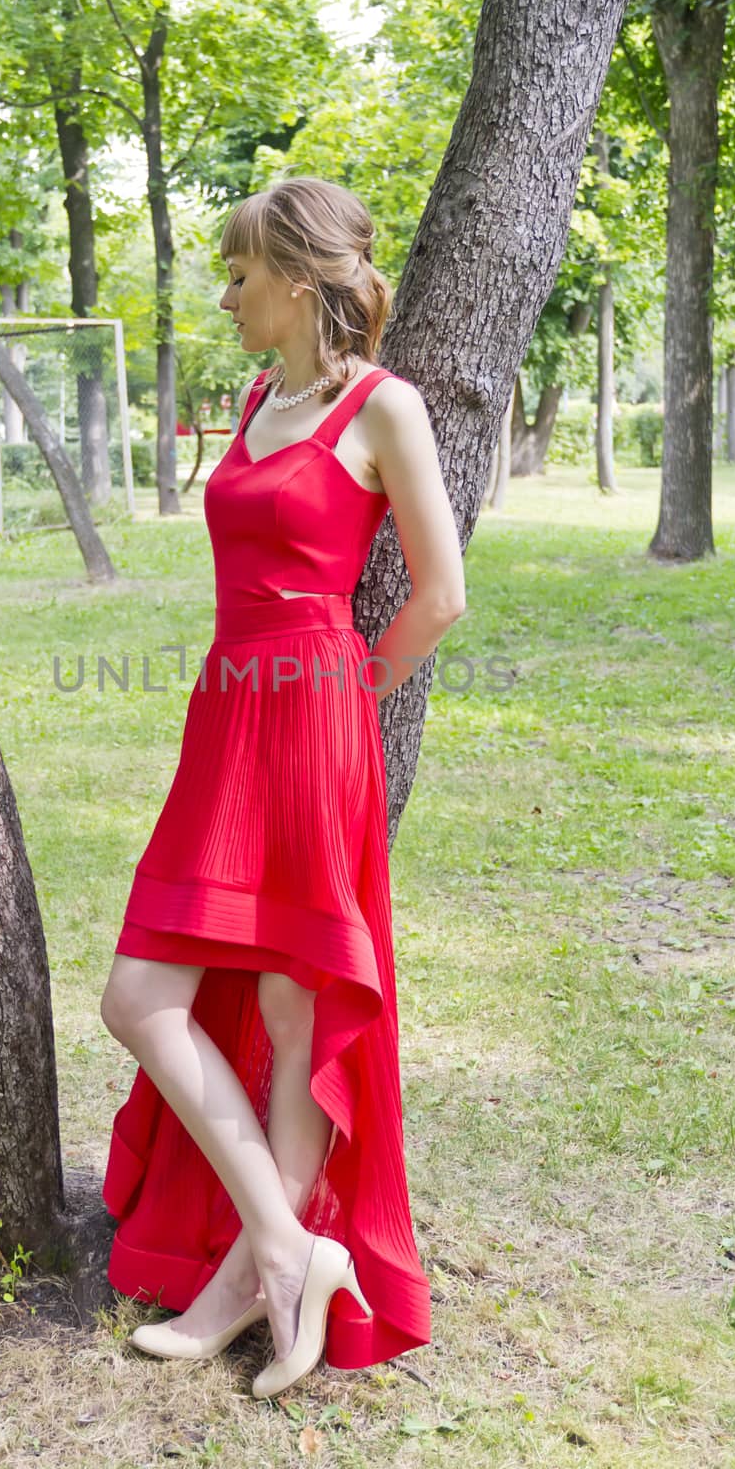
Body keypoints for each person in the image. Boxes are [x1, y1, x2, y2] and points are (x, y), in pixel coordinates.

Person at [99, 176, 465, 1399]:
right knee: (141, 994)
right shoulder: (260, 398)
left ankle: (243, 1285)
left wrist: (351, 691)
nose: (226, 292)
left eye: (240, 273)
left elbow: (438, 593)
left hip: (311, 715)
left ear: (299, 281)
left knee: (296, 1009)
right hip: (224, 715)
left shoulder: (383, 406)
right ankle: (286, 1243)